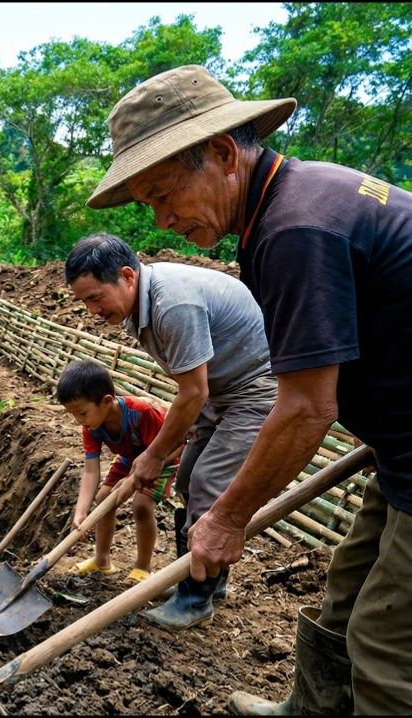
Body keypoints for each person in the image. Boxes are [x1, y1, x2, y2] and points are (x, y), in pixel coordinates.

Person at [87, 63, 412, 715]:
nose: (160, 219)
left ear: (220, 152)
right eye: (147, 205)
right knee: (344, 595)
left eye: (161, 194)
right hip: (398, 448)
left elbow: (305, 406)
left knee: (384, 648)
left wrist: (228, 517)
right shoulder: (297, 202)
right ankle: (308, 711)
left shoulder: (295, 231)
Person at [64, 232, 277, 631]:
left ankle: (196, 598)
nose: (92, 310)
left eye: (95, 297)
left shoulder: (171, 304)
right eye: (84, 302)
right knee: (187, 478)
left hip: (255, 388)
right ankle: (206, 578)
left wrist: (154, 453)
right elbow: (193, 387)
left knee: (209, 482)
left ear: (127, 276)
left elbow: (192, 390)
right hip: (221, 392)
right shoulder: (136, 311)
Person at [58, 360, 180, 583]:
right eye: (74, 415)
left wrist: (134, 481)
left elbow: (172, 445)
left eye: (82, 413)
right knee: (103, 498)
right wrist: (81, 511)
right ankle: (102, 560)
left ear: (106, 401)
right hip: (130, 458)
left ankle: (143, 567)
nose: (78, 421)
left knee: (141, 506)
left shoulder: (143, 413)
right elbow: (90, 471)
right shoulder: (91, 427)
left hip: (163, 458)